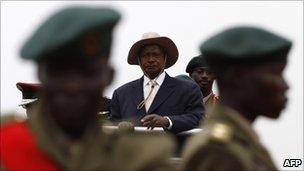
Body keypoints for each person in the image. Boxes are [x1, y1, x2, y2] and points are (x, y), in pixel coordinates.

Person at [1, 6, 175, 170]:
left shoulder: (141, 159)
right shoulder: (6, 145)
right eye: (60, 71)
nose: (73, 85)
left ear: (109, 76)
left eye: (87, 72)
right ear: (40, 74)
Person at [182, 26, 292, 170]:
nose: (285, 86)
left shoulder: (241, 142)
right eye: (275, 74)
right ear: (237, 77)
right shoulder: (218, 151)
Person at [110, 32, 204, 134]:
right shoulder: (121, 94)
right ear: (139, 60)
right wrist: (120, 126)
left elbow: (197, 118)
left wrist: (167, 121)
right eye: (145, 56)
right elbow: (111, 125)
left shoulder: (188, 89)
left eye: (155, 55)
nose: (151, 60)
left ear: (165, 58)